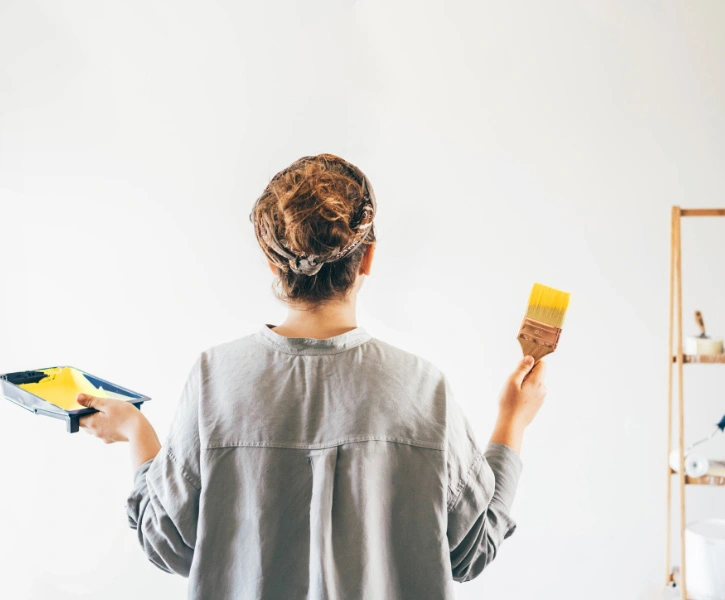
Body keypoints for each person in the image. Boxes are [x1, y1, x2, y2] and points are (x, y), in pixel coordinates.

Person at [77, 153, 548, 600]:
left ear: (272, 263)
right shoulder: (424, 390)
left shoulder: (214, 381)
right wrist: (513, 422)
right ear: (367, 258)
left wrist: (135, 430)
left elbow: (171, 546)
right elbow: (472, 551)